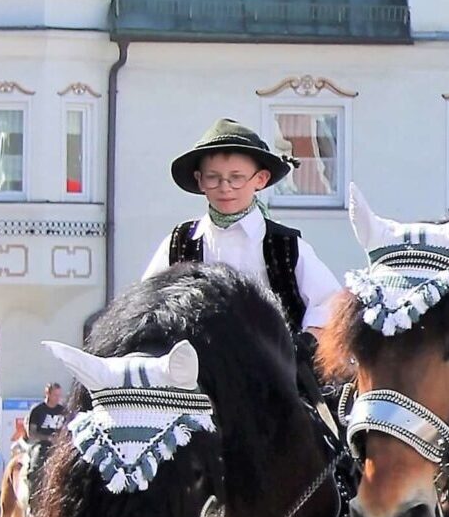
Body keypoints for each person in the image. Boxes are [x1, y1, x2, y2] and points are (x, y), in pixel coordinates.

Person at [142, 120, 344, 398]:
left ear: (259, 180)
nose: (225, 187)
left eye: (236, 177)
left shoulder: (285, 244)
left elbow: (329, 303)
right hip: (196, 384)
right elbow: (147, 305)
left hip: (274, 379)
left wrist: (300, 348)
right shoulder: (179, 242)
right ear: (200, 181)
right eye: (214, 177)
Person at [25, 382, 69, 447]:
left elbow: (67, 429)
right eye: (55, 395)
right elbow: (31, 434)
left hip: (59, 445)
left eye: (59, 395)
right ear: (47, 394)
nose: (58, 398)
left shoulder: (63, 411)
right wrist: (48, 438)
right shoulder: (37, 410)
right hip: (41, 444)